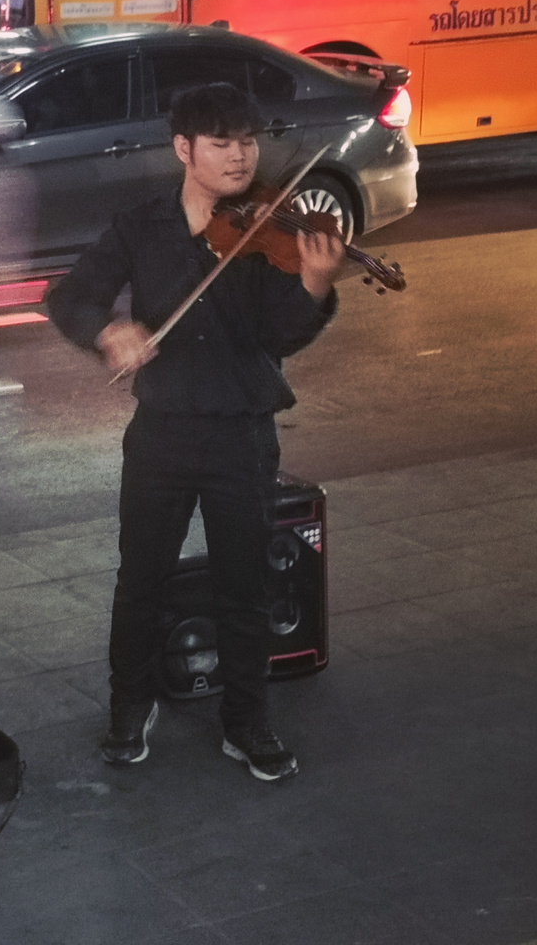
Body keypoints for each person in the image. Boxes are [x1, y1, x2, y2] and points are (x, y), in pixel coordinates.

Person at [46, 83, 344, 782]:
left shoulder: (268, 228)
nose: (240, 156)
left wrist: (313, 284)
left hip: (242, 433)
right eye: (222, 143)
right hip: (161, 434)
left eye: (247, 140)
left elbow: (278, 334)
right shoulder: (141, 226)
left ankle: (247, 721)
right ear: (184, 149)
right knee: (139, 580)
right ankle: (130, 705)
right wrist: (107, 329)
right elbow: (69, 296)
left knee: (244, 586)